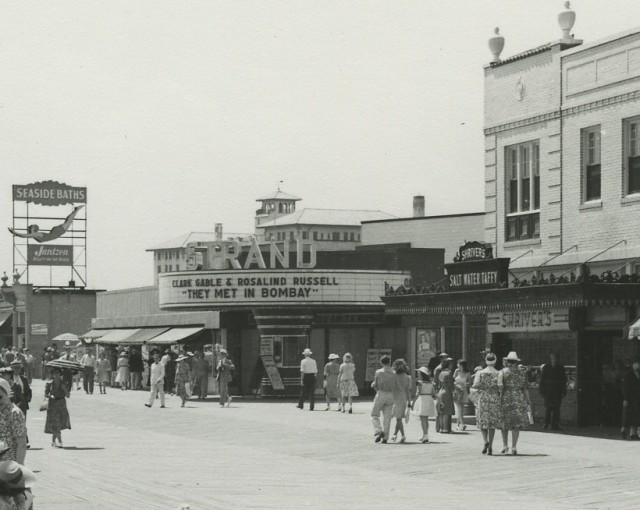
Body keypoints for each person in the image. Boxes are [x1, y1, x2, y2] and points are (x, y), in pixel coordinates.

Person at [498, 352, 531, 455]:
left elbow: (500, 387)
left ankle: (505, 445)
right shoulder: (522, 373)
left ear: (507, 362)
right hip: (518, 398)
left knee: (504, 424)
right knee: (516, 424)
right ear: (517, 362)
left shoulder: (502, 372)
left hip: (506, 397)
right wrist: (528, 401)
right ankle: (514, 447)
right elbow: (525, 389)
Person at [472, 353, 502, 455]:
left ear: (486, 361)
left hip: (483, 397)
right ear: (495, 361)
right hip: (494, 398)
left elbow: (475, 385)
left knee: (483, 422)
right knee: (492, 424)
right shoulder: (499, 373)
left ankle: (485, 441)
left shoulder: (480, 373)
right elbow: (500, 387)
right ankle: (491, 445)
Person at [8, 205, 84, 243]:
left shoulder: (37, 234)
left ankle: (77, 209)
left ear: (34, 229)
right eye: (29, 228)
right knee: (68, 220)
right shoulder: (36, 235)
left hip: (56, 232)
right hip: (55, 232)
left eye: (30, 228)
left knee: (69, 220)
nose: (28, 229)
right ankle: (76, 210)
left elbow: (25, 236)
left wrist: (15, 232)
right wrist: (17, 235)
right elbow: (25, 236)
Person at [0, 378, 26, 465]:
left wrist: (19, 466)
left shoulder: (15, 413)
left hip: (9, 464)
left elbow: (21, 443)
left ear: (8, 394)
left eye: (0, 397)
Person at [370, 355, 395, 444]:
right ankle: (385, 437)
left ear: (381, 362)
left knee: (374, 415)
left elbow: (375, 384)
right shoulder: (394, 373)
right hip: (391, 395)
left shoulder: (379, 372)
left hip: (381, 393)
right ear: (389, 362)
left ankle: (379, 430)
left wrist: (375, 387)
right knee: (387, 418)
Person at [539, 352, 567, 431]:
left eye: (556, 358)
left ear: (558, 359)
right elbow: (542, 379)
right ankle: (546, 423)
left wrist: (563, 391)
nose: (554, 360)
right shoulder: (546, 367)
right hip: (548, 391)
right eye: (553, 358)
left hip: (557, 392)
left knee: (556, 409)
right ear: (550, 359)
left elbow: (563, 380)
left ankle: (555, 425)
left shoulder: (561, 368)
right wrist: (542, 390)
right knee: (548, 408)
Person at [44, 368, 71, 448]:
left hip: (61, 404)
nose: (56, 375)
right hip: (53, 404)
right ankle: (60, 440)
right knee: (56, 423)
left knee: (59, 422)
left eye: (58, 374)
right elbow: (45, 394)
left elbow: (68, 396)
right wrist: (50, 395)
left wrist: (64, 389)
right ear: (52, 375)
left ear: (60, 375)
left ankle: (53, 441)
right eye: (55, 374)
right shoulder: (49, 384)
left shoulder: (64, 383)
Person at [8, 362, 30, 449]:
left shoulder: (24, 379)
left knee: (23, 422)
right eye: (14, 369)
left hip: (22, 404)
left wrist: (27, 398)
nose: (16, 370)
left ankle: (25, 440)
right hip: (12, 402)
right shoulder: (9, 380)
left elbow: (28, 390)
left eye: (18, 369)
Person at [412, 367, 436, 443]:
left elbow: (418, 393)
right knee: (425, 418)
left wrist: (413, 403)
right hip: (429, 399)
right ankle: (425, 435)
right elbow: (433, 393)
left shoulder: (419, 382)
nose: (418, 374)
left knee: (423, 418)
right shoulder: (430, 383)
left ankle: (425, 435)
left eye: (419, 373)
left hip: (422, 399)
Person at [390, 359, 411, 443]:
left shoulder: (393, 376)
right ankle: (395, 434)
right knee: (398, 418)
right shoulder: (407, 377)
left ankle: (403, 436)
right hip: (403, 398)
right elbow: (408, 390)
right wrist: (409, 401)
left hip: (394, 397)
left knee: (398, 418)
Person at [621, 360, 640, 440]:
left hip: (637, 398)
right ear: (633, 365)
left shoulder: (638, 374)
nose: (637, 366)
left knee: (636, 415)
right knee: (627, 415)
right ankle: (623, 431)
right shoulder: (628, 374)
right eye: (636, 364)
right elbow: (625, 387)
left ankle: (633, 433)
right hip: (630, 398)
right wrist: (625, 398)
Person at [436, 358, 455, 433]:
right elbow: (451, 384)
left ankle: (441, 428)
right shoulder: (449, 373)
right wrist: (454, 392)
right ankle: (446, 428)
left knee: (441, 411)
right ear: (449, 365)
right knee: (447, 411)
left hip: (441, 391)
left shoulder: (441, 372)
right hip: (447, 392)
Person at [432, 352, 448, 432]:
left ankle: (443, 426)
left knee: (443, 409)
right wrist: (435, 391)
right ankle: (438, 427)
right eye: (444, 357)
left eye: (446, 357)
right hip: (439, 389)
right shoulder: (438, 369)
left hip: (443, 389)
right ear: (441, 358)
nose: (446, 359)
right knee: (439, 410)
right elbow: (435, 380)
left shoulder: (445, 368)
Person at [453, 359, 470, 431]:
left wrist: (467, 384)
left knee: (461, 409)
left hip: (464, 390)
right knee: (459, 407)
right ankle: (462, 424)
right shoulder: (457, 371)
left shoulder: (467, 373)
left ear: (462, 365)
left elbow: (469, 382)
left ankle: (458, 425)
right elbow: (452, 381)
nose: (457, 365)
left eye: (458, 364)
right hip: (457, 390)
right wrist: (457, 386)